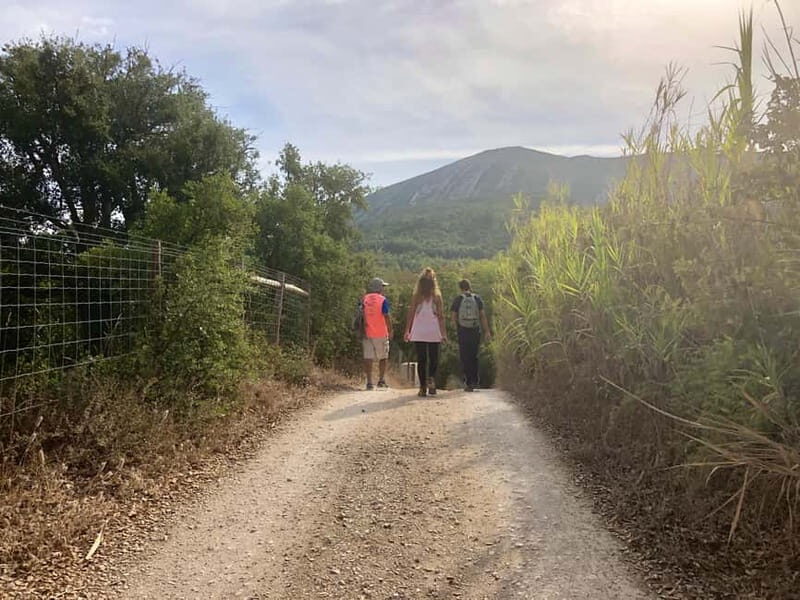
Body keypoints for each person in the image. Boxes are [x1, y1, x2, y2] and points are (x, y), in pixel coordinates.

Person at [404, 268, 447, 397]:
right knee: (434, 358)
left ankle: (422, 387)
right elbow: (441, 316)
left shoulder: (416, 296)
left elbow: (411, 313)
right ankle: (431, 378)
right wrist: (444, 333)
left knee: (422, 359)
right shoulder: (437, 297)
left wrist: (407, 330)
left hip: (419, 331)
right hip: (433, 331)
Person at [450, 279, 491, 392]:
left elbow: (453, 317)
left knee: (465, 356)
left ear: (460, 288)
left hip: (463, 330)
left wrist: (454, 327)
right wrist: (487, 331)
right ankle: (475, 381)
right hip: (475, 330)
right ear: (470, 287)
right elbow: (482, 316)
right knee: (474, 355)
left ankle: (468, 382)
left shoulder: (458, 299)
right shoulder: (477, 299)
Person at [361, 277, 392, 390]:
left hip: (366, 332)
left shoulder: (364, 299)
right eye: (383, 287)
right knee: (383, 357)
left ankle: (369, 382)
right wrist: (390, 329)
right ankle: (381, 380)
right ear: (379, 288)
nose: (384, 289)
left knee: (368, 358)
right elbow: (386, 316)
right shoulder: (382, 300)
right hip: (381, 333)